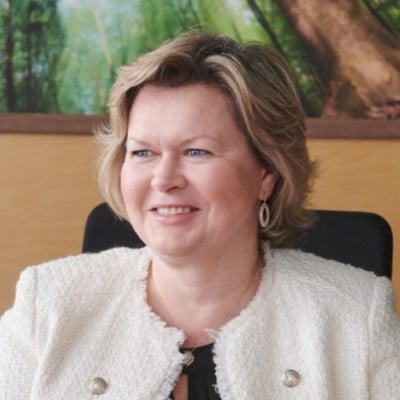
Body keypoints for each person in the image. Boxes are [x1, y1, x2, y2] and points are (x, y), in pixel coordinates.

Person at [0, 30, 399, 400]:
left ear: (267, 173)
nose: (163, 179)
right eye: (143, 152)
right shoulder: (48, 302)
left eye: (196, 151)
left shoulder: (355, 314)